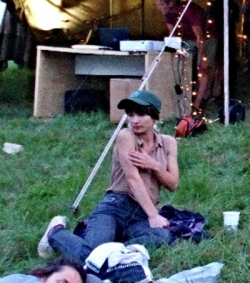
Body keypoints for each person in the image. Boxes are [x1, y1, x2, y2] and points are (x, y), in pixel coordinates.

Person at [38, 89, 179, 261]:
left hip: (141, 214)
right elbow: (133, 179)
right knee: (92, 258)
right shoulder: (125, 136)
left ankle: (110, 251)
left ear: (154, 115)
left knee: (162, 237)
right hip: (115, 207)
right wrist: (154, 216)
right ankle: (56, 232)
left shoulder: (168, 142)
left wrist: (154, 165)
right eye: (130, 114)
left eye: (141, 114)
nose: (134, 120)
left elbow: (173, 184)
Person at [154, 0, 217, 114]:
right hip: (188, 39)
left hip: (206, 39)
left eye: (160, 4)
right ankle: (185, 98)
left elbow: (200, 36)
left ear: (170, 3)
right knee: (182, 66)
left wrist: (202, 56)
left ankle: (197, 104)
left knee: (202, 70)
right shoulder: (168, 14)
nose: (158, 8)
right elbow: (172, 34)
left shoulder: (189, 11)